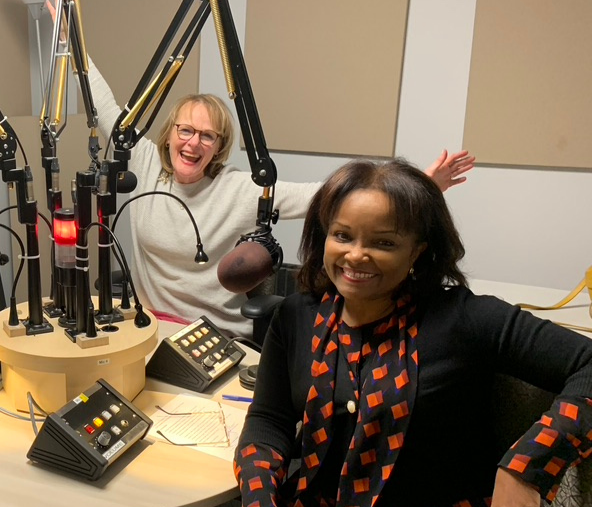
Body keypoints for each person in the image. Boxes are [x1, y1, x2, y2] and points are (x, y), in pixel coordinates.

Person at [45, 0, 474, 334]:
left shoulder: (242, 189)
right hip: (149, 328)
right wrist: (69, 43)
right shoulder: (143, 165)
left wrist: (421, 186)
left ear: (219, 146)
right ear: (170, 134)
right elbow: (104, 106)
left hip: (218, 334)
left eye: (207, 136)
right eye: (185, 130)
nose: (193, 143)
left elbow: (331, 195)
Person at [234, 159, 592, 506]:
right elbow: (269, 420)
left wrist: (527, 467)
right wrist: (259, 496)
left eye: (384, 243)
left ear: (417, 252)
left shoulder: (466, 318)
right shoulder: (295, 315)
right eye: (342, 235)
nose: (356, 255)